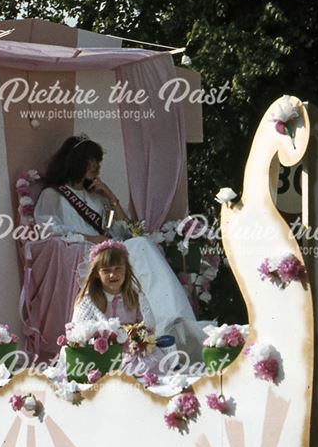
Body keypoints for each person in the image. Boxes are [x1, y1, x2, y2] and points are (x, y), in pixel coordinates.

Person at [35, 135, 206, 360]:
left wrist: (111, 198)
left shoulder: (97, 199)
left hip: (109, 252)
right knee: (140, 246)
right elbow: (47, 230)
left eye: (97, 162)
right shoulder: (53, 194)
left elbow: (127, 232)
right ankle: (170, 321)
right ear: (75, 161)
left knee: (141, 243)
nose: (96, 167)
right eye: (91, 161)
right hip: (83, 251)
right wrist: (89, 239)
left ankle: (173, 319)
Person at [72, 240, 174, 377]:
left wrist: (137, 334)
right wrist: (102, 332)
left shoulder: (134, 297)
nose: (113, 275)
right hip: (102, 351)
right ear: (96, 273)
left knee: (150, 363)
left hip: (131, 351)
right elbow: (79, 329)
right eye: (106, 271)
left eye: (118, 269)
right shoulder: (90, 300)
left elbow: (147, 325)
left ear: (126, 270)